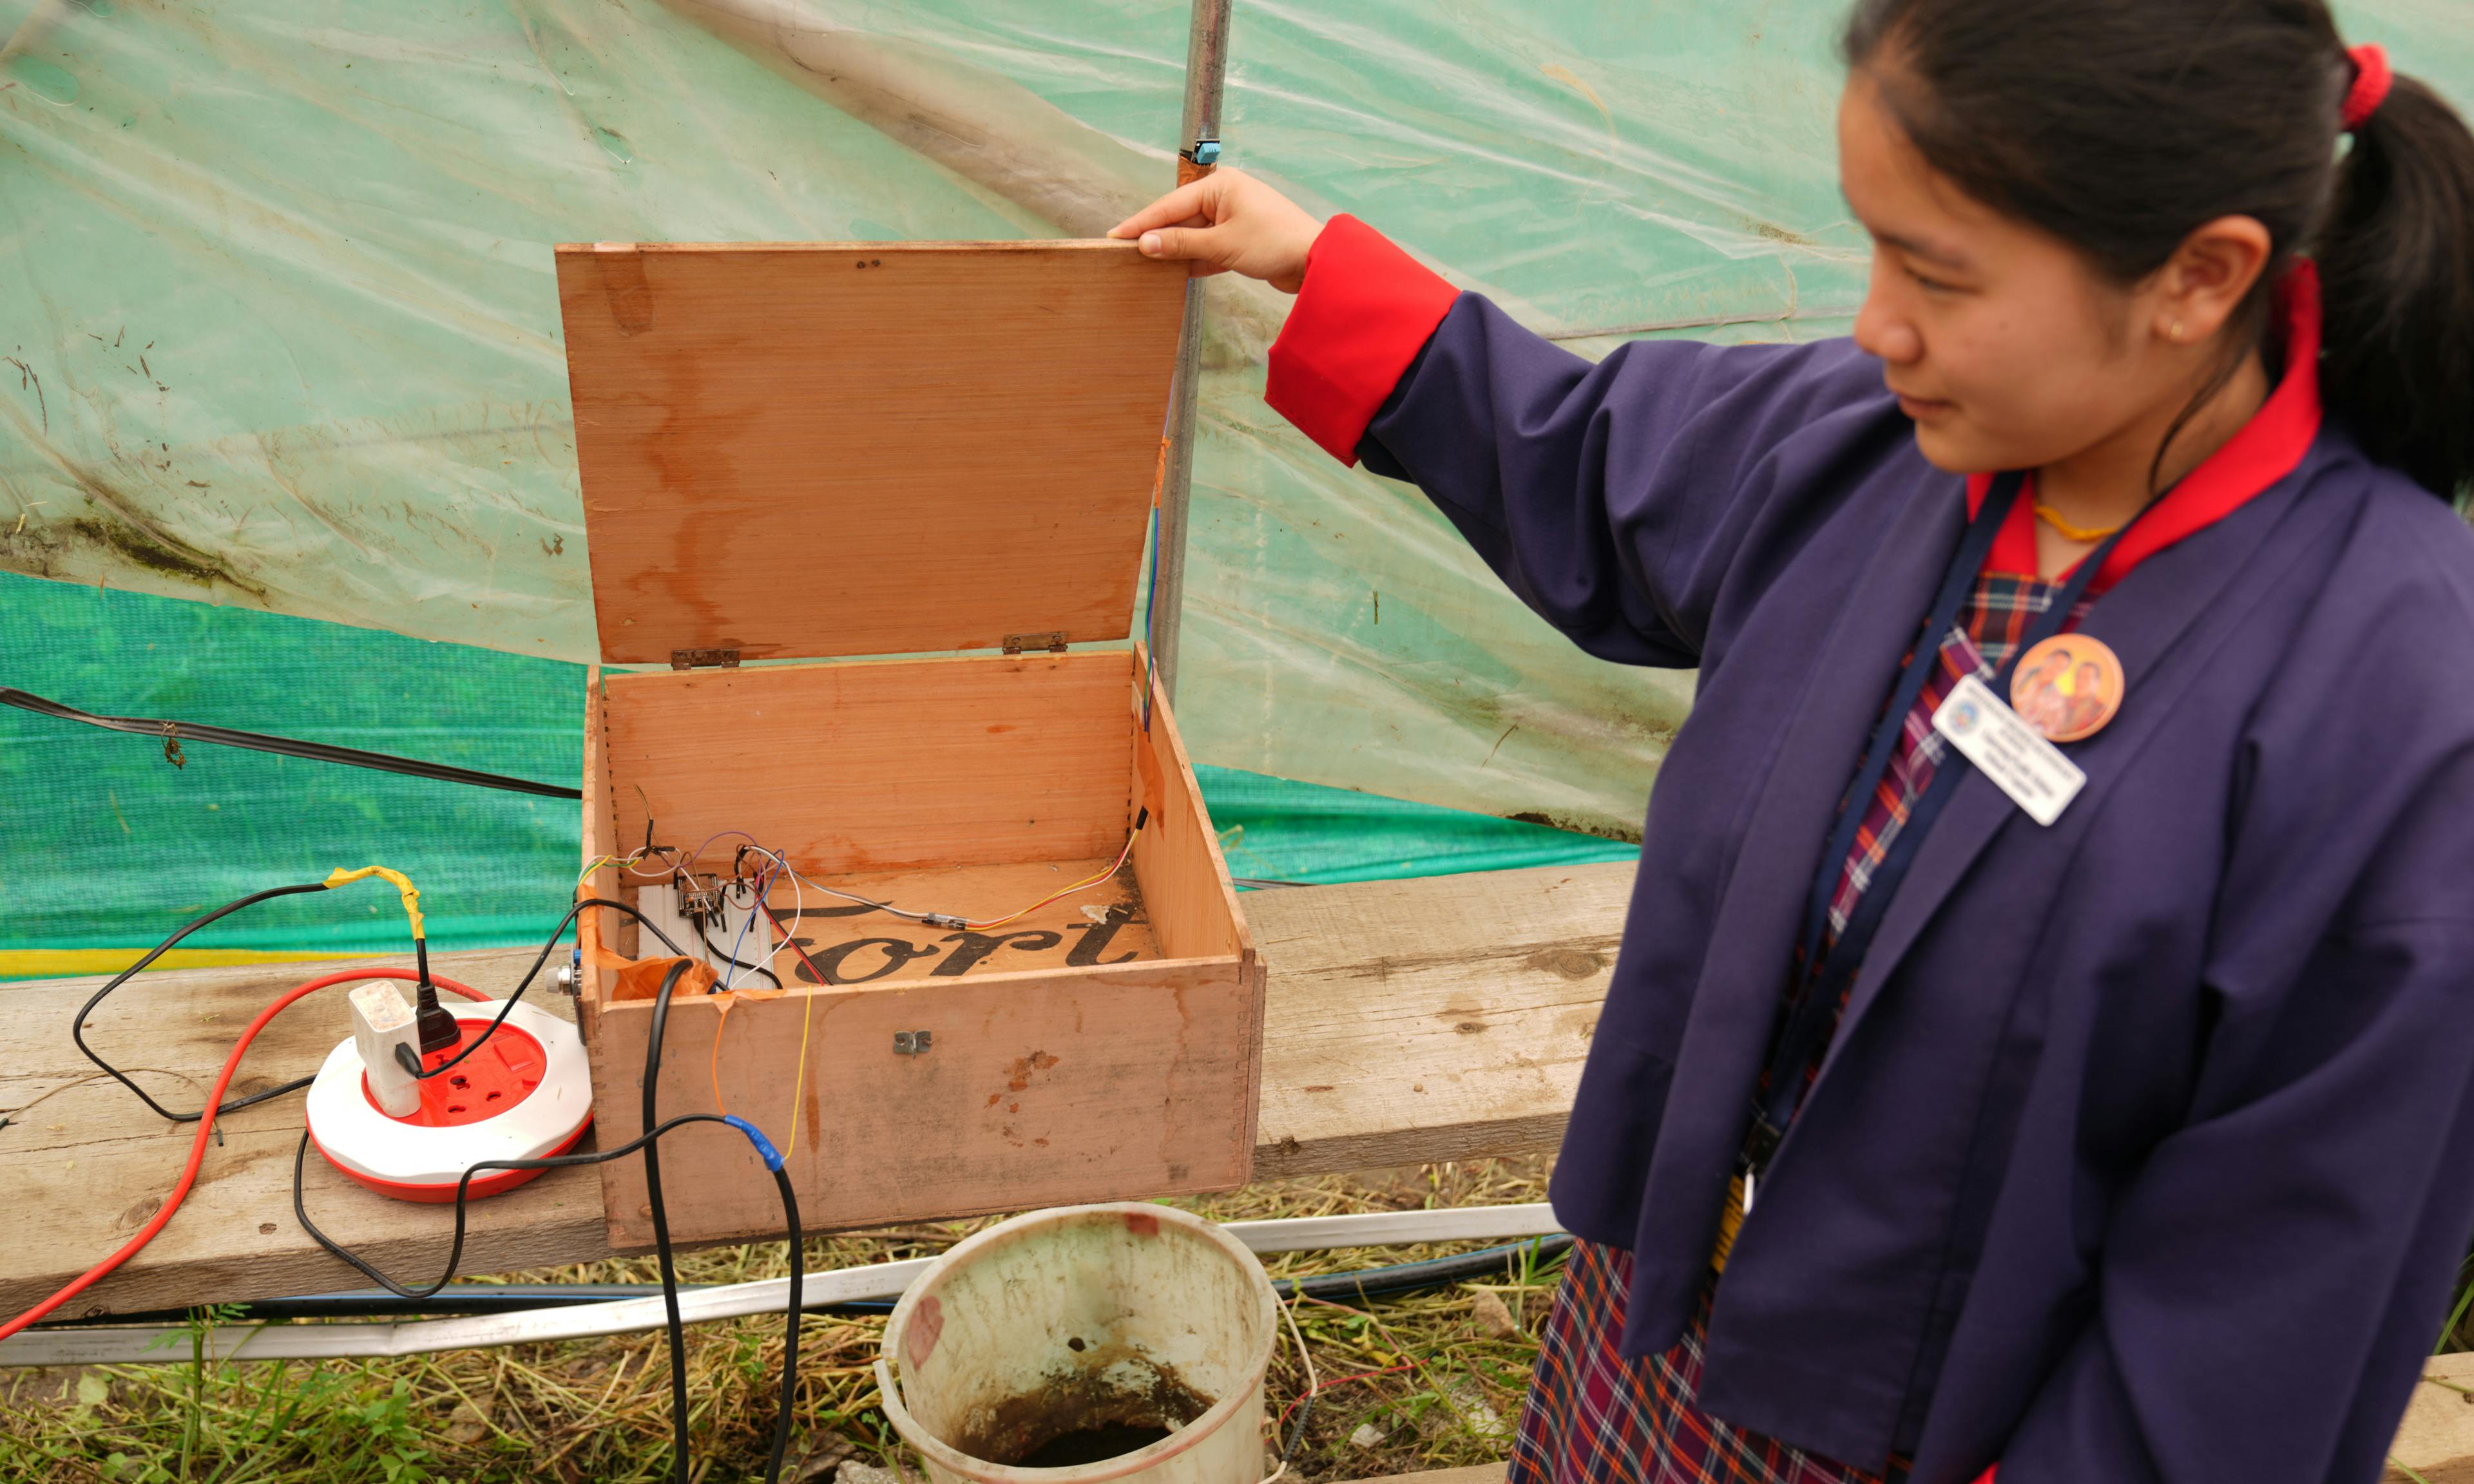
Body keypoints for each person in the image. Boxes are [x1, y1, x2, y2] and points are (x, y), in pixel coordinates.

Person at [1114, 2, 2474, 1480]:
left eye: (1937, 273)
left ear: (2197, 278)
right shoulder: (1873, 443)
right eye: (1874, 245)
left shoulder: (2400, 709)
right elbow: (1583, 449)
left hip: (1961, 1439)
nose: (1876, 321)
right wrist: (1316, 266)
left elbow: (2273, 1300)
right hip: (1662, 1336)